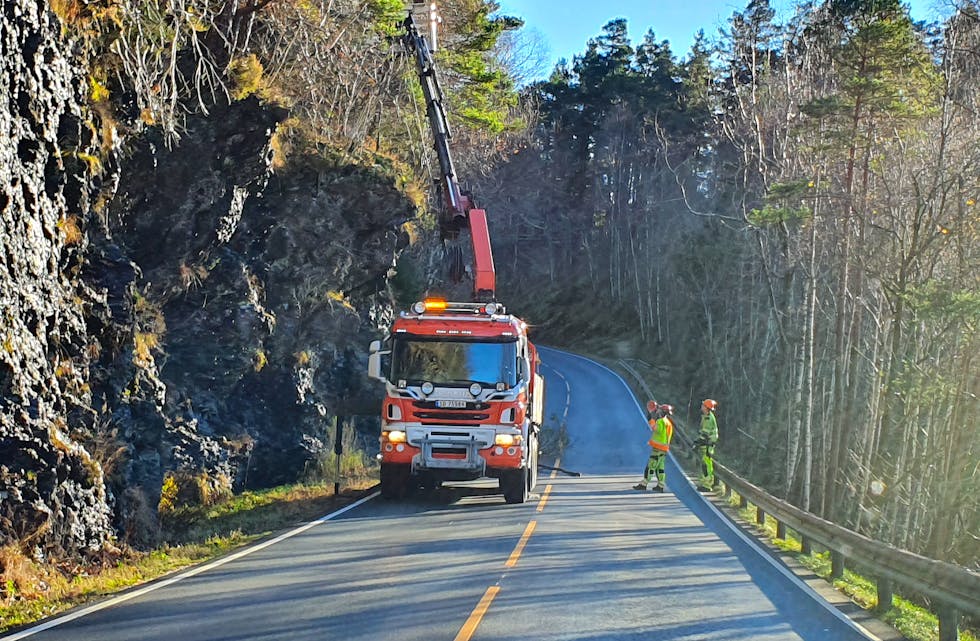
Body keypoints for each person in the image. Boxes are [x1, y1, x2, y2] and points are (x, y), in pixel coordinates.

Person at [634, 401, 674, 492]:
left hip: (658, 448)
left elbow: (655, 429)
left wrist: (651, 419)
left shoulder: (661, 421)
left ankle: (644, 484)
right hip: (664, 448)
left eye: (659, 410)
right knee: (660, 468)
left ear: (662, 412)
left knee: (651, 465)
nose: (658, 411)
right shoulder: (668, 422)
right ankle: (660, 485)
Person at [695, 399, 719, 491]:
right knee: (704, 463)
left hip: (708, 444)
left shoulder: (709, 418)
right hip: (705, 443)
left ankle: (707, 485)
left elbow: (705, 433)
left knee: (706, 464)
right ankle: (704, 483)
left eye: (703, 405)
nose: (701, 406)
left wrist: (698, 442)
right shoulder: (706, 416)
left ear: (706, 408)